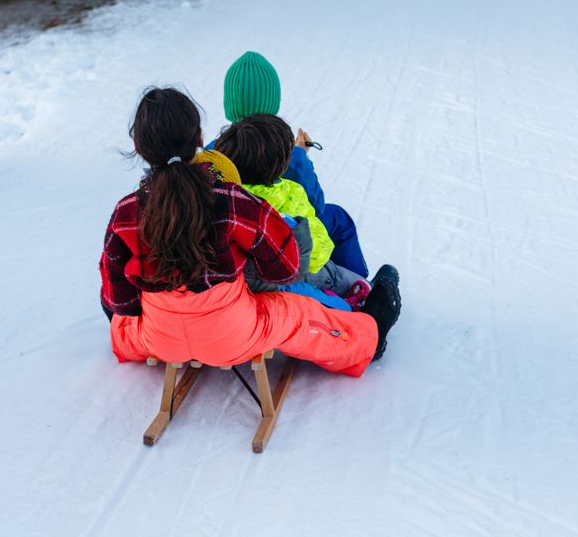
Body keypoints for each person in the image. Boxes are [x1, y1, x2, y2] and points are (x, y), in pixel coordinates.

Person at [100, 87, 402, 374]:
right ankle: (366, 339)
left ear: (138, 147)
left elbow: (119, 302)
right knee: (293, 311)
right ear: (200, 138)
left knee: (126, 326)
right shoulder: (233, 200)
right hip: (233, 337)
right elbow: (285, 270)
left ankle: (161, 333)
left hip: (161, 341)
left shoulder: (126, 212)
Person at [220, 51, 369, 277]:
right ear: (272, 102)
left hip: (241, 239)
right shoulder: (283, 153)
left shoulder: (217, 148)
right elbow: (315, 206)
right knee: (337, 218)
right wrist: (300, 155)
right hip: (283, 238)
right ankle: (357, 285)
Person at [213, 114, 374, 310]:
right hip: (295, 272)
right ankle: (365, 295)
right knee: (347, 280)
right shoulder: (290, 193)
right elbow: (314, 253)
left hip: (249, 276)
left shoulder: (221, 190)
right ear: (281, 165)